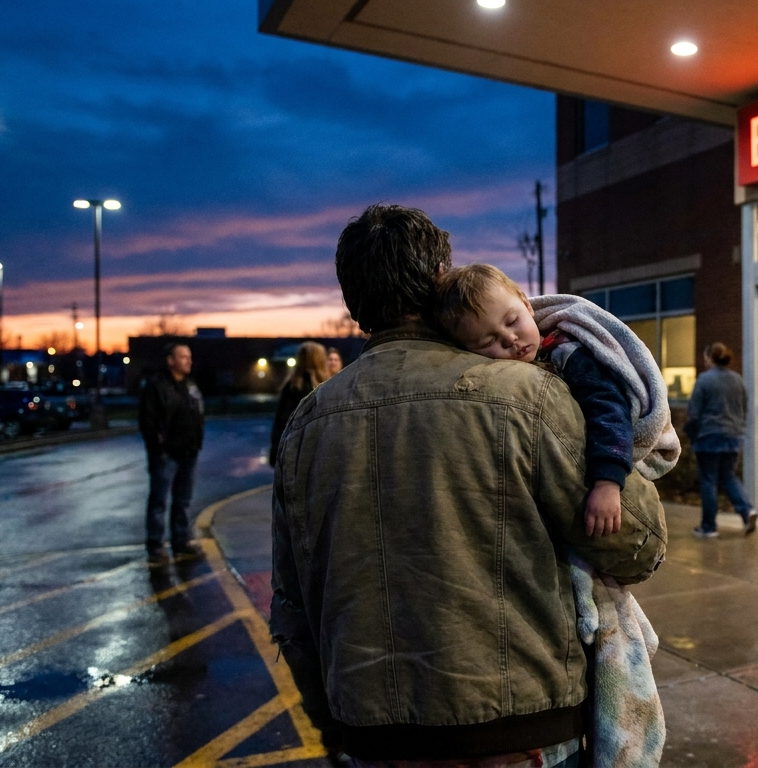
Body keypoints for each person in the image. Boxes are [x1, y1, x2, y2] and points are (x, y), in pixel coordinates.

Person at [270, 204, 667, 767]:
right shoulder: (524, 395)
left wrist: (336, 727)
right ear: (439, 281)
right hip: (522, 732)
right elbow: (639, 543)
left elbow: (292, 610)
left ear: (355, 306)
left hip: (376, 738)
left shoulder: (305, 427)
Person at [434, 264, 631, 538]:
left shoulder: (568, 354)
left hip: (605, 475)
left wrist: (607, 483)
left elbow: (609, 408)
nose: (510, 339)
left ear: (526, 304)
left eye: (512, 321)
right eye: (489, 340)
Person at [138, 343, 205, 563]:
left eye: (189, 357)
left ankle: (181, 542)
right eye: (183, 357)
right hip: (166, 455)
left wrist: (196, 443)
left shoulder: (190, 385)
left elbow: (197, 415)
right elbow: (147, 420)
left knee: (183, 501)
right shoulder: (156, 386)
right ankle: (156, 546)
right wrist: (158, 447)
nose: (188, 361)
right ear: (170, 360)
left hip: (189, 452)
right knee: (159, 500)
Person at [684, 342, 757, 537]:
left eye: (705, 356)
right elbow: (744, 408)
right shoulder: (738, 380)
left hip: (709, 437)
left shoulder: (705, 380)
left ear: (710, 358)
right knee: (727, 476)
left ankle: (709, 527)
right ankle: (747, 510)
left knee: (708, 480)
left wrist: (691, 434)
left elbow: (694, 412)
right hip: (733, 436)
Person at [270, 341, 331, 466]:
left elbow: (282, 420)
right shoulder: (327, 386)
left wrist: (276, 450)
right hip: (321, 450)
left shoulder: (292, 386)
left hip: (295, 449)